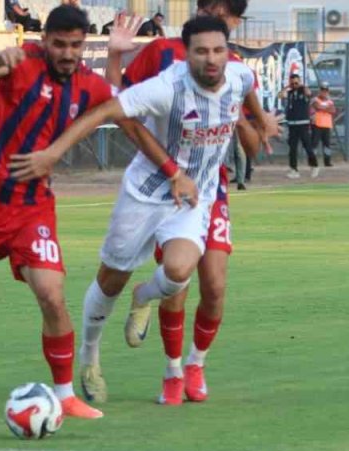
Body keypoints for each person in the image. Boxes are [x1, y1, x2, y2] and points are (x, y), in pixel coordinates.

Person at [0, 5, 170, 421]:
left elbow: (124, 112)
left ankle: (63, 394)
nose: (68, 53)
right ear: (45, 42)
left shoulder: (89, 86)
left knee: (52, 295)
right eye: (60, 44)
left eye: (76, 45)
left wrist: (172, 172)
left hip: (32, 208)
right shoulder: (21, 63)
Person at [10, 16, 255, 406]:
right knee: (111, 280)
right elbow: (106, 110)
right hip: (143, 195)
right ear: (185, 54)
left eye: (218, 50)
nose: (211, 59)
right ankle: (90, 353)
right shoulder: (167, 87)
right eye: (202, 51)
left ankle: (145, 296)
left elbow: (247, 96)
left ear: (228, 51)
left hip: (193, 198)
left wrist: (263, 123)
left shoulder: (240, 77)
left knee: (178, 270)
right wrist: (53, 153)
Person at [96, 1, 274, 406]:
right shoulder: (161, 54)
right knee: (178, 280)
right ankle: (172, 370)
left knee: (215, 285)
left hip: (213, 188)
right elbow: (120, 101)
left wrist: (254, 125)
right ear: (213, 10)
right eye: (232, 18)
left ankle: (197, 362)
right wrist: (115, 55)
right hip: (167, 191)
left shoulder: (233, 67)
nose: (230, 33)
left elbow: (250, 135)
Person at [279, 73, 316, 178]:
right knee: (292, 149)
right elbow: (280, 95)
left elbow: (309, 93)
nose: (294, 85)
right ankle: (294, 169)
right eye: (292, 83)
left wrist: (301, 85)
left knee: (307, 146)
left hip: (303, 123)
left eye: (296, 82)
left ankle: (314, 165)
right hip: (292, 124)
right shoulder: (290, 93)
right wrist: (287, 87)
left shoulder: (303, 91)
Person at [310, 82, 336, 169]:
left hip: (327, 125)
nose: (324, 92)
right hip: (317, 124)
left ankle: (327, 161)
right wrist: (326, 108)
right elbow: (317, 107)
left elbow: (333, 110)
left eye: (326, 90)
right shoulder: (315, 99)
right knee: (314, 144)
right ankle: (312, 161)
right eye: (322, 90)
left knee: (327, 145)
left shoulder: (330, 101)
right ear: (319, 90)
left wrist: (323, 108)